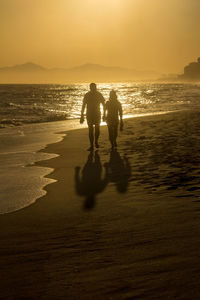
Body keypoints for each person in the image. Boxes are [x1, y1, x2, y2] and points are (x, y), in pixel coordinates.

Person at [80, 83, 106, 151]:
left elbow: (104, 105)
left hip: (97, 114)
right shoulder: (87, 95)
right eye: (92, 87)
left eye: (94, 87)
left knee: (97, 128)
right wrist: (82, 115)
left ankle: (96, 142)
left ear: (95, 87)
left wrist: (104, 114)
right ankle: (91, 145)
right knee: (90, 130)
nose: (93, 89)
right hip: (89, 114)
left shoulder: (99, 94)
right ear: (90, 88)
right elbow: (83, 105)